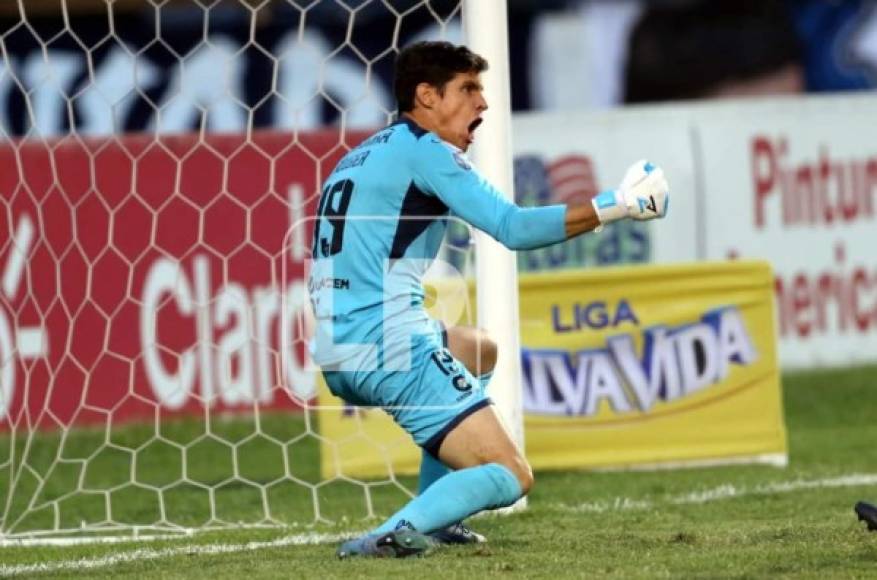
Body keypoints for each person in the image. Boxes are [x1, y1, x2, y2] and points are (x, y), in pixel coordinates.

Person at [307, 40, 669, 558]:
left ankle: (437, 514)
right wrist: (619, 205)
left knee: (479, 350)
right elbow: (513, 227)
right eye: (468, 89)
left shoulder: (357, 157)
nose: (483, 103)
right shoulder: (425, 149)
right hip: (390, 345)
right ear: (426, 96)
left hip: (340, 349)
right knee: (508, 473)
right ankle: (393, 534)